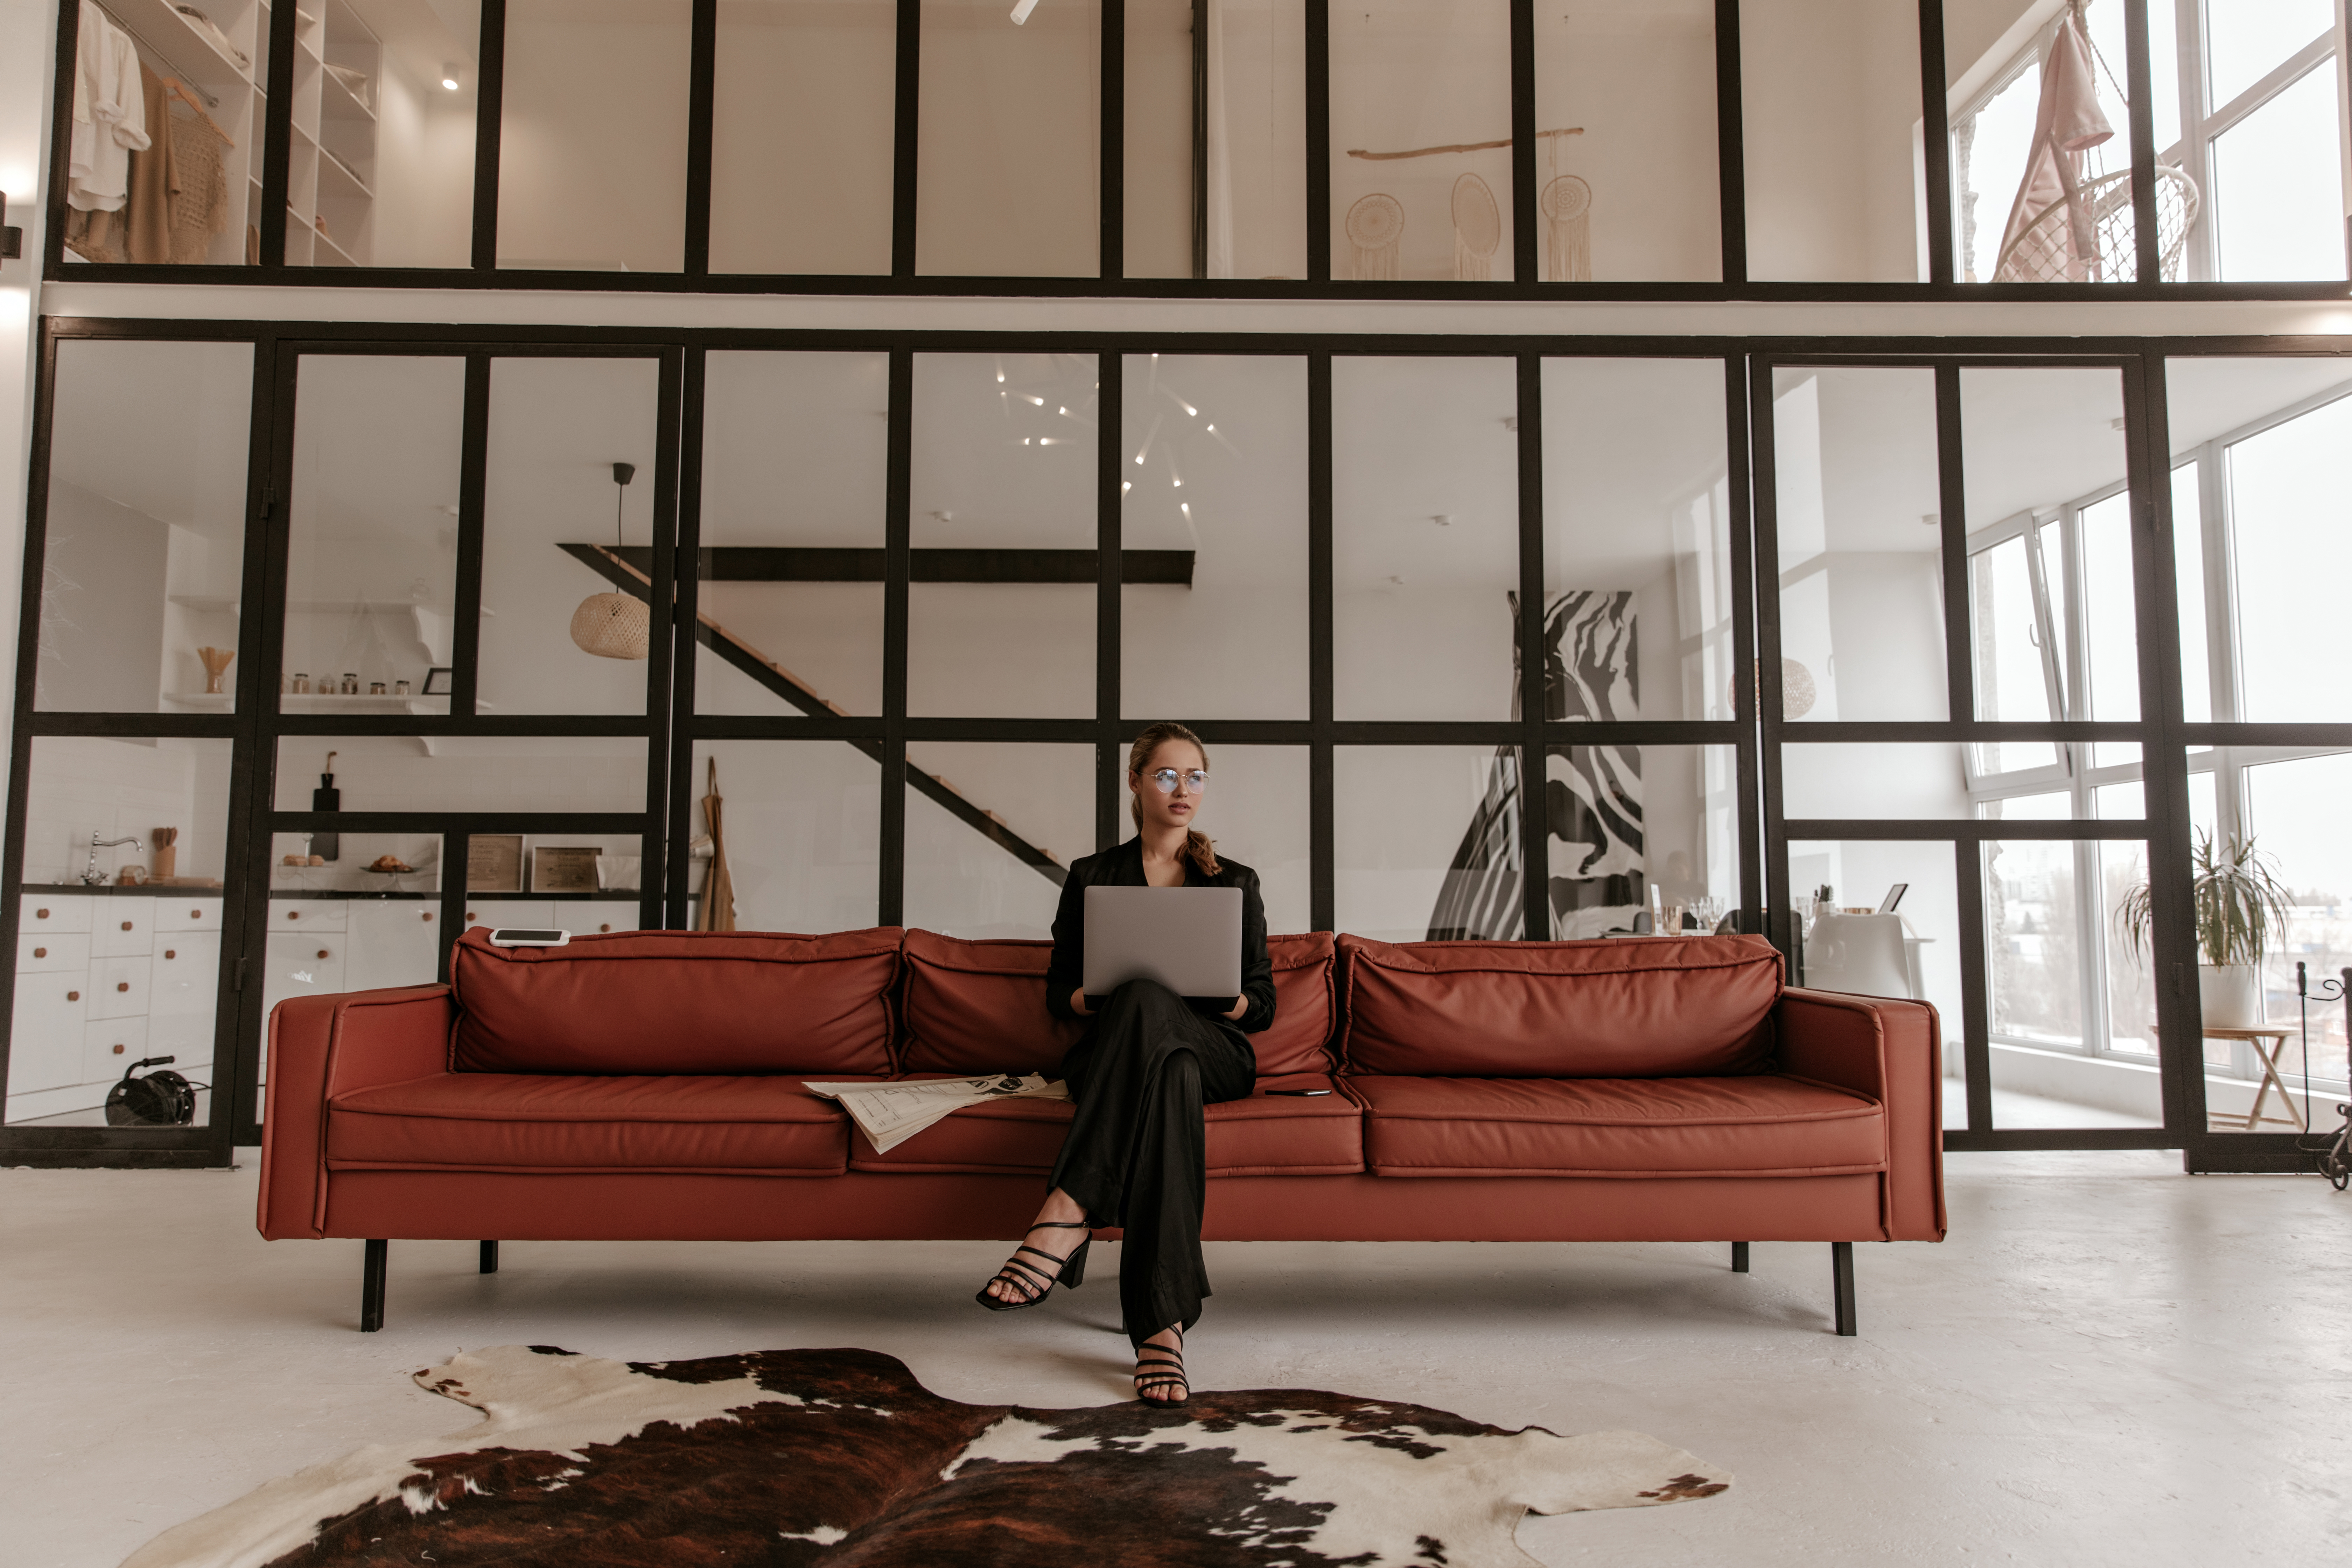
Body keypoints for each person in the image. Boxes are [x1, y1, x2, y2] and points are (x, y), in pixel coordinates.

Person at [974, 721, 1275, 1405]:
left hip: (1214, 1044)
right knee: (1160, 1058)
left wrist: (1217, 990)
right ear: (1136, 781)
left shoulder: (1235, 880)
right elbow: (1061, 991)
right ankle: (1160, 1325)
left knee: (1152, 1004)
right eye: (1166, 774)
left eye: (1195, 776)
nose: (1182, 789)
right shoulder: (1093, 875)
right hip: (1124, 1053)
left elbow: (1261, 1003)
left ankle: (1069, 1205)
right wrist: (1098, 992)